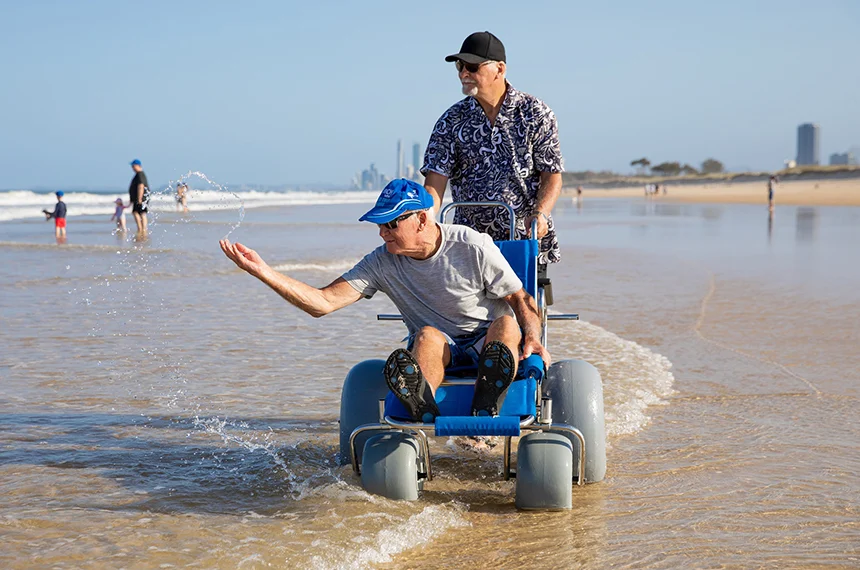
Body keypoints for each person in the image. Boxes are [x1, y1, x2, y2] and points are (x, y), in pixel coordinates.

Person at [220, 179, 549, 422]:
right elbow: (322, 302)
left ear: (422, 219)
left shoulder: (471, 245)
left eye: (392, 223)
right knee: (426, 335)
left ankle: (486, 402)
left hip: (487, 340)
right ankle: (423, 406)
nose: (382, 232)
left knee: (506, 323)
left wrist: (533, 339)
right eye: (380, 224)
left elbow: (521, 299)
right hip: (441, 345)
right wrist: (263, 272)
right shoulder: (381, 262)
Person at [421, 31, 564, 268]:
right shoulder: (451, 120)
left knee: (525, 305)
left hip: (522, 238)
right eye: (459, 66)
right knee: (467, 306)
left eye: (472, 66)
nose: (463, 73)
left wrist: (541, 213)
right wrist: (425, 218)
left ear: (500, 68)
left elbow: (552, 175)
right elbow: (435, 181)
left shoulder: (535, 112)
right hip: (469, 243)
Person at [128, 159, 150, 235]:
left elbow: (141, 186)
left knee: (140, 212)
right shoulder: (138, 174)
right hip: (138, 198)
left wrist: (139, 198)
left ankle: (142, 229)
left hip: (141, 198)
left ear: (138, 166)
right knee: (138, 212)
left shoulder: (140, 174)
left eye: (133, 166)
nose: (132, 168)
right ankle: (141, 228)